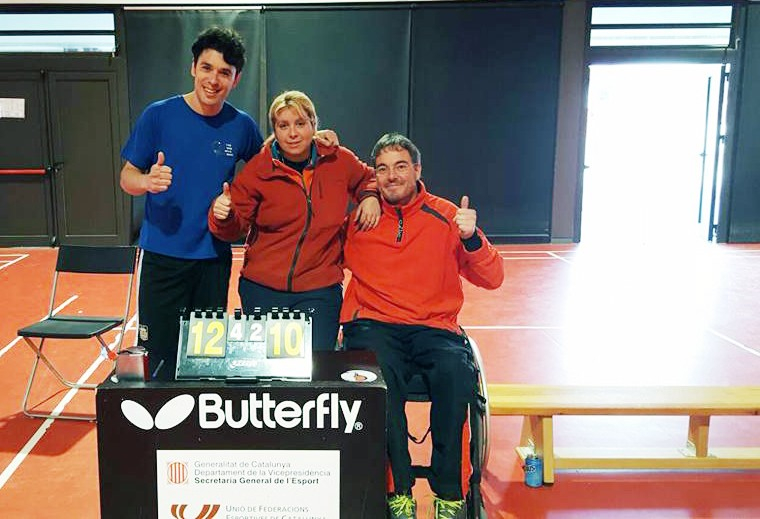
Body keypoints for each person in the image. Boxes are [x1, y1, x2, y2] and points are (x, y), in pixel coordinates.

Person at [120, 27, 340, 380]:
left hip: (214, 259)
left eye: (224, 72)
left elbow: (275, 157)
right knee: (159, 355)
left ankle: (196, 431)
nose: (213, 79)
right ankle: (161, 432)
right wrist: (146, 181)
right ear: (193, 67)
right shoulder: (158, 115)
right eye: (207, 68)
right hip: (163, 256)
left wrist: (316, 138)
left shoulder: (241, 126)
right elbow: (126, 176)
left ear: (235, 79)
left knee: (203, 359)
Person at [339, 133, 504, 519]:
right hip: (375, 325)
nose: (391, 176)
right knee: (377, 382)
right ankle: (397, 492)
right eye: (382, 168)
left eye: (400, 166)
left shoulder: (447, 216)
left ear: (417, 169)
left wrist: (471, 238)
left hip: (435, 328)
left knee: (454, 374)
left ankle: (449, 493)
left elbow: (493, 278)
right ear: (373, 176)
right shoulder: (361, 218)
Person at [208, 90, 380, 351]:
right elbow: (235, 227)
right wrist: (224, 215)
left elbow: (370, 178)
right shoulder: (259, 169)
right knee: (267, 375)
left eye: (300, 123)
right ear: (275, 130)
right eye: (283, 125)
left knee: (318, 369)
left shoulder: (339, 159)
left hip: (319, 289)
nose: (292, 133)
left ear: (314, 124)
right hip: (263, 288)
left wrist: (369, 195)